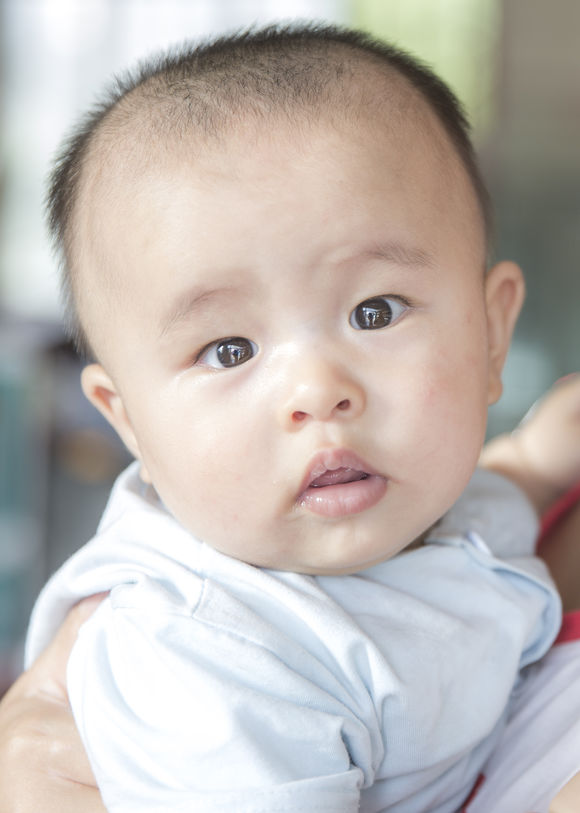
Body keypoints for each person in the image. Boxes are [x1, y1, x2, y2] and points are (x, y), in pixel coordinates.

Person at [3, 21, 580, 812]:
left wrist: (543, 457)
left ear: (491, 336)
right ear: (129, 419)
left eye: (374, 311)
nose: (317, 389)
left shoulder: (412, 508)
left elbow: (479, 516)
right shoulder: (213, 663)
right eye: (230, 349)